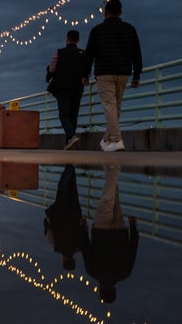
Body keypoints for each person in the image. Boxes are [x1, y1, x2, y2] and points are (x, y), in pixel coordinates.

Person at [82, 0, 143, 152]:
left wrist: (85, 73)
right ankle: (106, 140)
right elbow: (137, 53)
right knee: (116, 108)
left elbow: (89, 54)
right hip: (123, 72)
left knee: (110, 106)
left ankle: (117, 140)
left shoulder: (97, 30)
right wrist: (136, 74)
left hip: (104, 72)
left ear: (105, 12)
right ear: (121, 12)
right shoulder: (130, 29)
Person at [79, 164, 139, 303]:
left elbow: (132, 250)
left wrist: (133, 228)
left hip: (120, 232)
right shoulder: (93, 272)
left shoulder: (125, 274)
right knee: (107, 198)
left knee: (114, 196)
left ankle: (108, 165)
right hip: (101, 231)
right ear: (100, 290)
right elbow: (86, 249)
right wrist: (83, 229)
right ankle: (116, 166)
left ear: (114, 290)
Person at [47, 30, 88, 150]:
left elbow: (52, 69)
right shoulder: (83, 54)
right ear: (78, 40)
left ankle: (71, 136)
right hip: (77, 88)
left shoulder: (59, 53)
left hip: (62, 88)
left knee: (64, 114)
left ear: (67, 39)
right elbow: (87, 71)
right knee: (73, 115)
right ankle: (69, 142)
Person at [43, 165, 83, 271]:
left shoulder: (79, 246)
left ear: (73, 260)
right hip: (60, 213)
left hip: (75, 213)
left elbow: (85, 230)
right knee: (62, 186)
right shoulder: (56, 247)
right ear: (64, 261)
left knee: (72, 187)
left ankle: (72, 167)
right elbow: (49, 232)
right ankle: (70, 165)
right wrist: (46, 224)